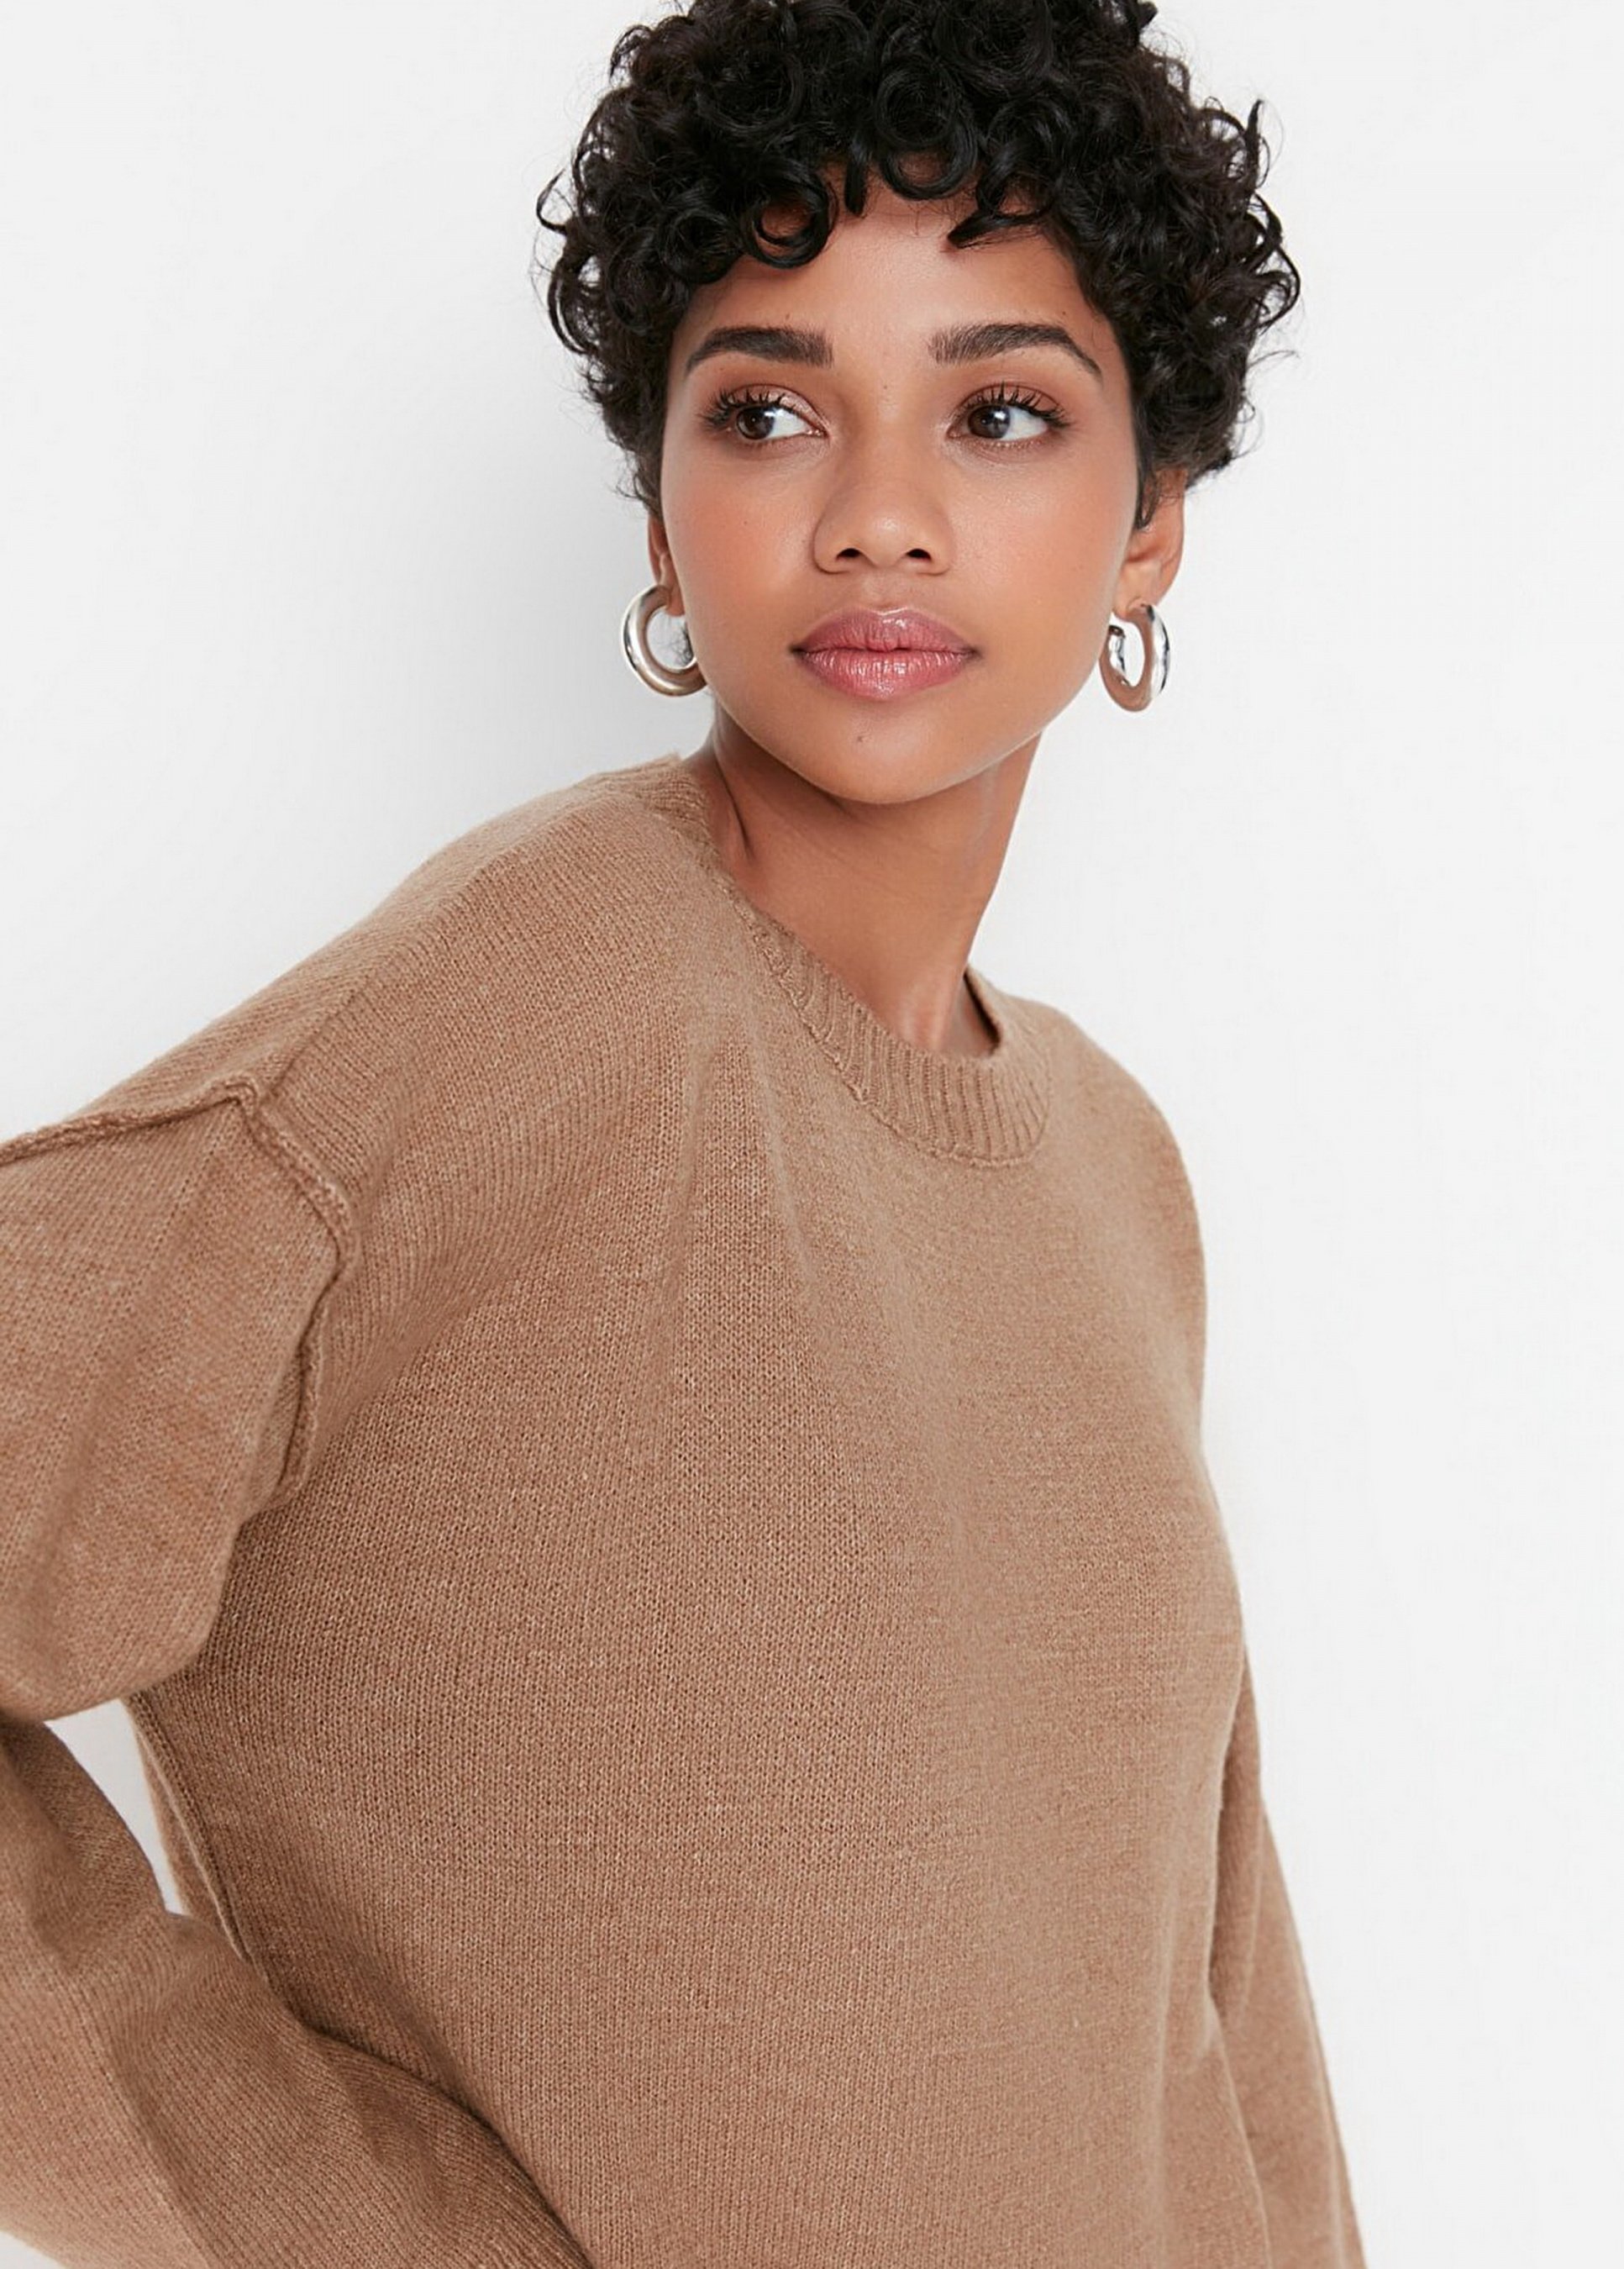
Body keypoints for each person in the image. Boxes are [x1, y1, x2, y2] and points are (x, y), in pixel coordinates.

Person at [0, 2, 1369, 2264]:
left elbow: (1215, 2018)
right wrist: (301, 2213)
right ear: (662, 506)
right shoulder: (507, 1016)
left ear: (1149, 525)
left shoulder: (1113, 1167)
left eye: (1000, 413)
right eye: (767, 411)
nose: (879, 517)